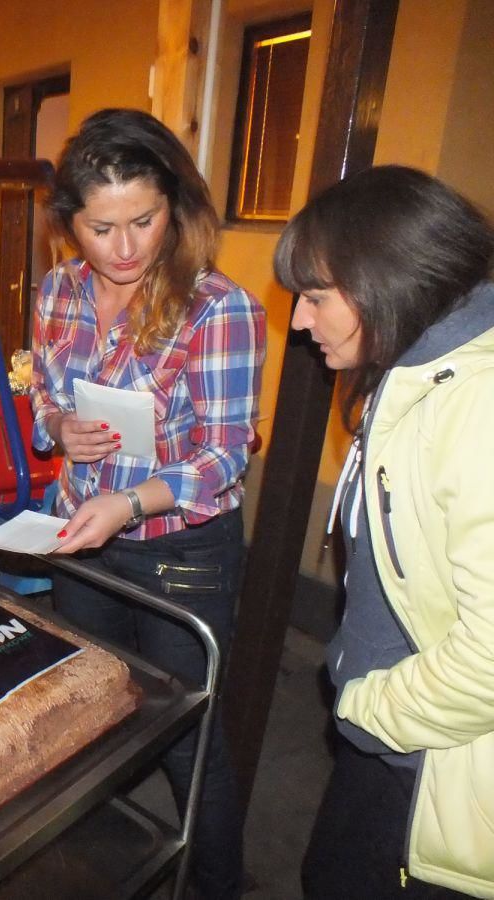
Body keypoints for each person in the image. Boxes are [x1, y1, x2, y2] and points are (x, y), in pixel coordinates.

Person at [30, 108, 265, 899]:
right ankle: (104, 871)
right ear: (70, 223)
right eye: (102, 228)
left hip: (180, 550)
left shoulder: (216, 307)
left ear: (175, 206)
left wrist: (130, 502)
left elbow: (225, 456)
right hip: (83, 539)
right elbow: (43, 402)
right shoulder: (59, 289)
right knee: (91, 712)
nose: (125, 248)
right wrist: (59, 428)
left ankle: (215, 885)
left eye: (145, 220)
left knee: (187, 734)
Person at [277, 165, 494, 899]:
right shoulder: (417, 370)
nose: (299, 321)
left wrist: (369, 710)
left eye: (315, 297)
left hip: (433, 761)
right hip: (400, 738)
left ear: (385, 282)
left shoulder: (477, 407)